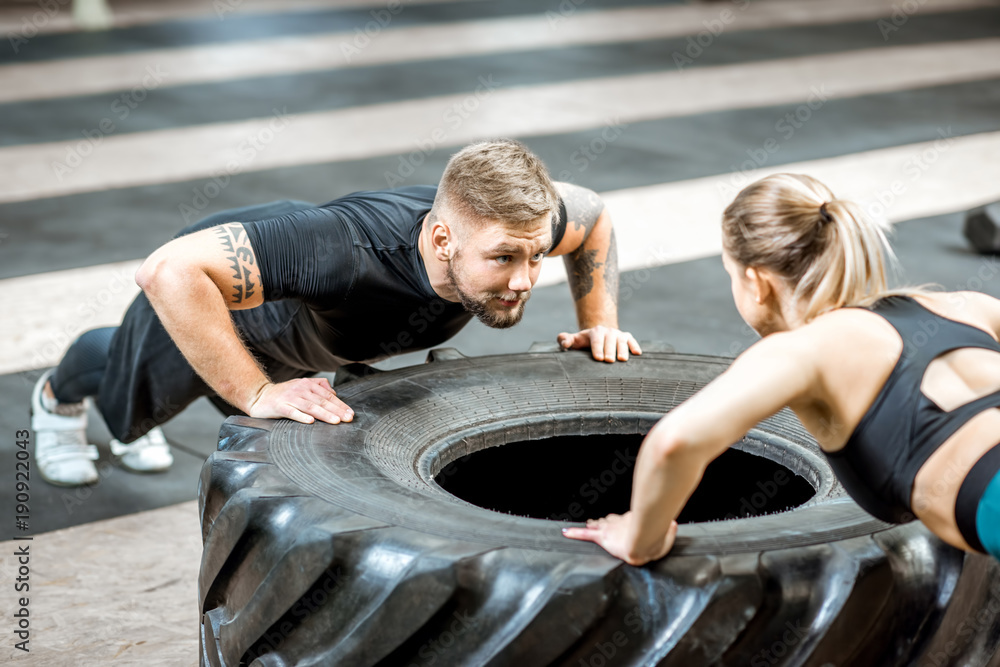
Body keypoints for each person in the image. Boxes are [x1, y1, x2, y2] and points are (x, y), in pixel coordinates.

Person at [32, 139, 641, 487]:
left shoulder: (520, 221)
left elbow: (594, 218)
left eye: (535, 256)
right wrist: (256, 392)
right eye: (504, 258)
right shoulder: (343, 251)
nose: (524, 280)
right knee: (127, 392)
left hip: (314, 323)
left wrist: (601, 321)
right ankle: (55, 402)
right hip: (237, 306)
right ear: (440, 241)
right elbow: (167, 271)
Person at [564, 172, 1000, 564]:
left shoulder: (801, 351)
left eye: (730, 274)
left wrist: (641, 539)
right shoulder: (970, 307)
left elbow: (674, 443)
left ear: (756, 282)